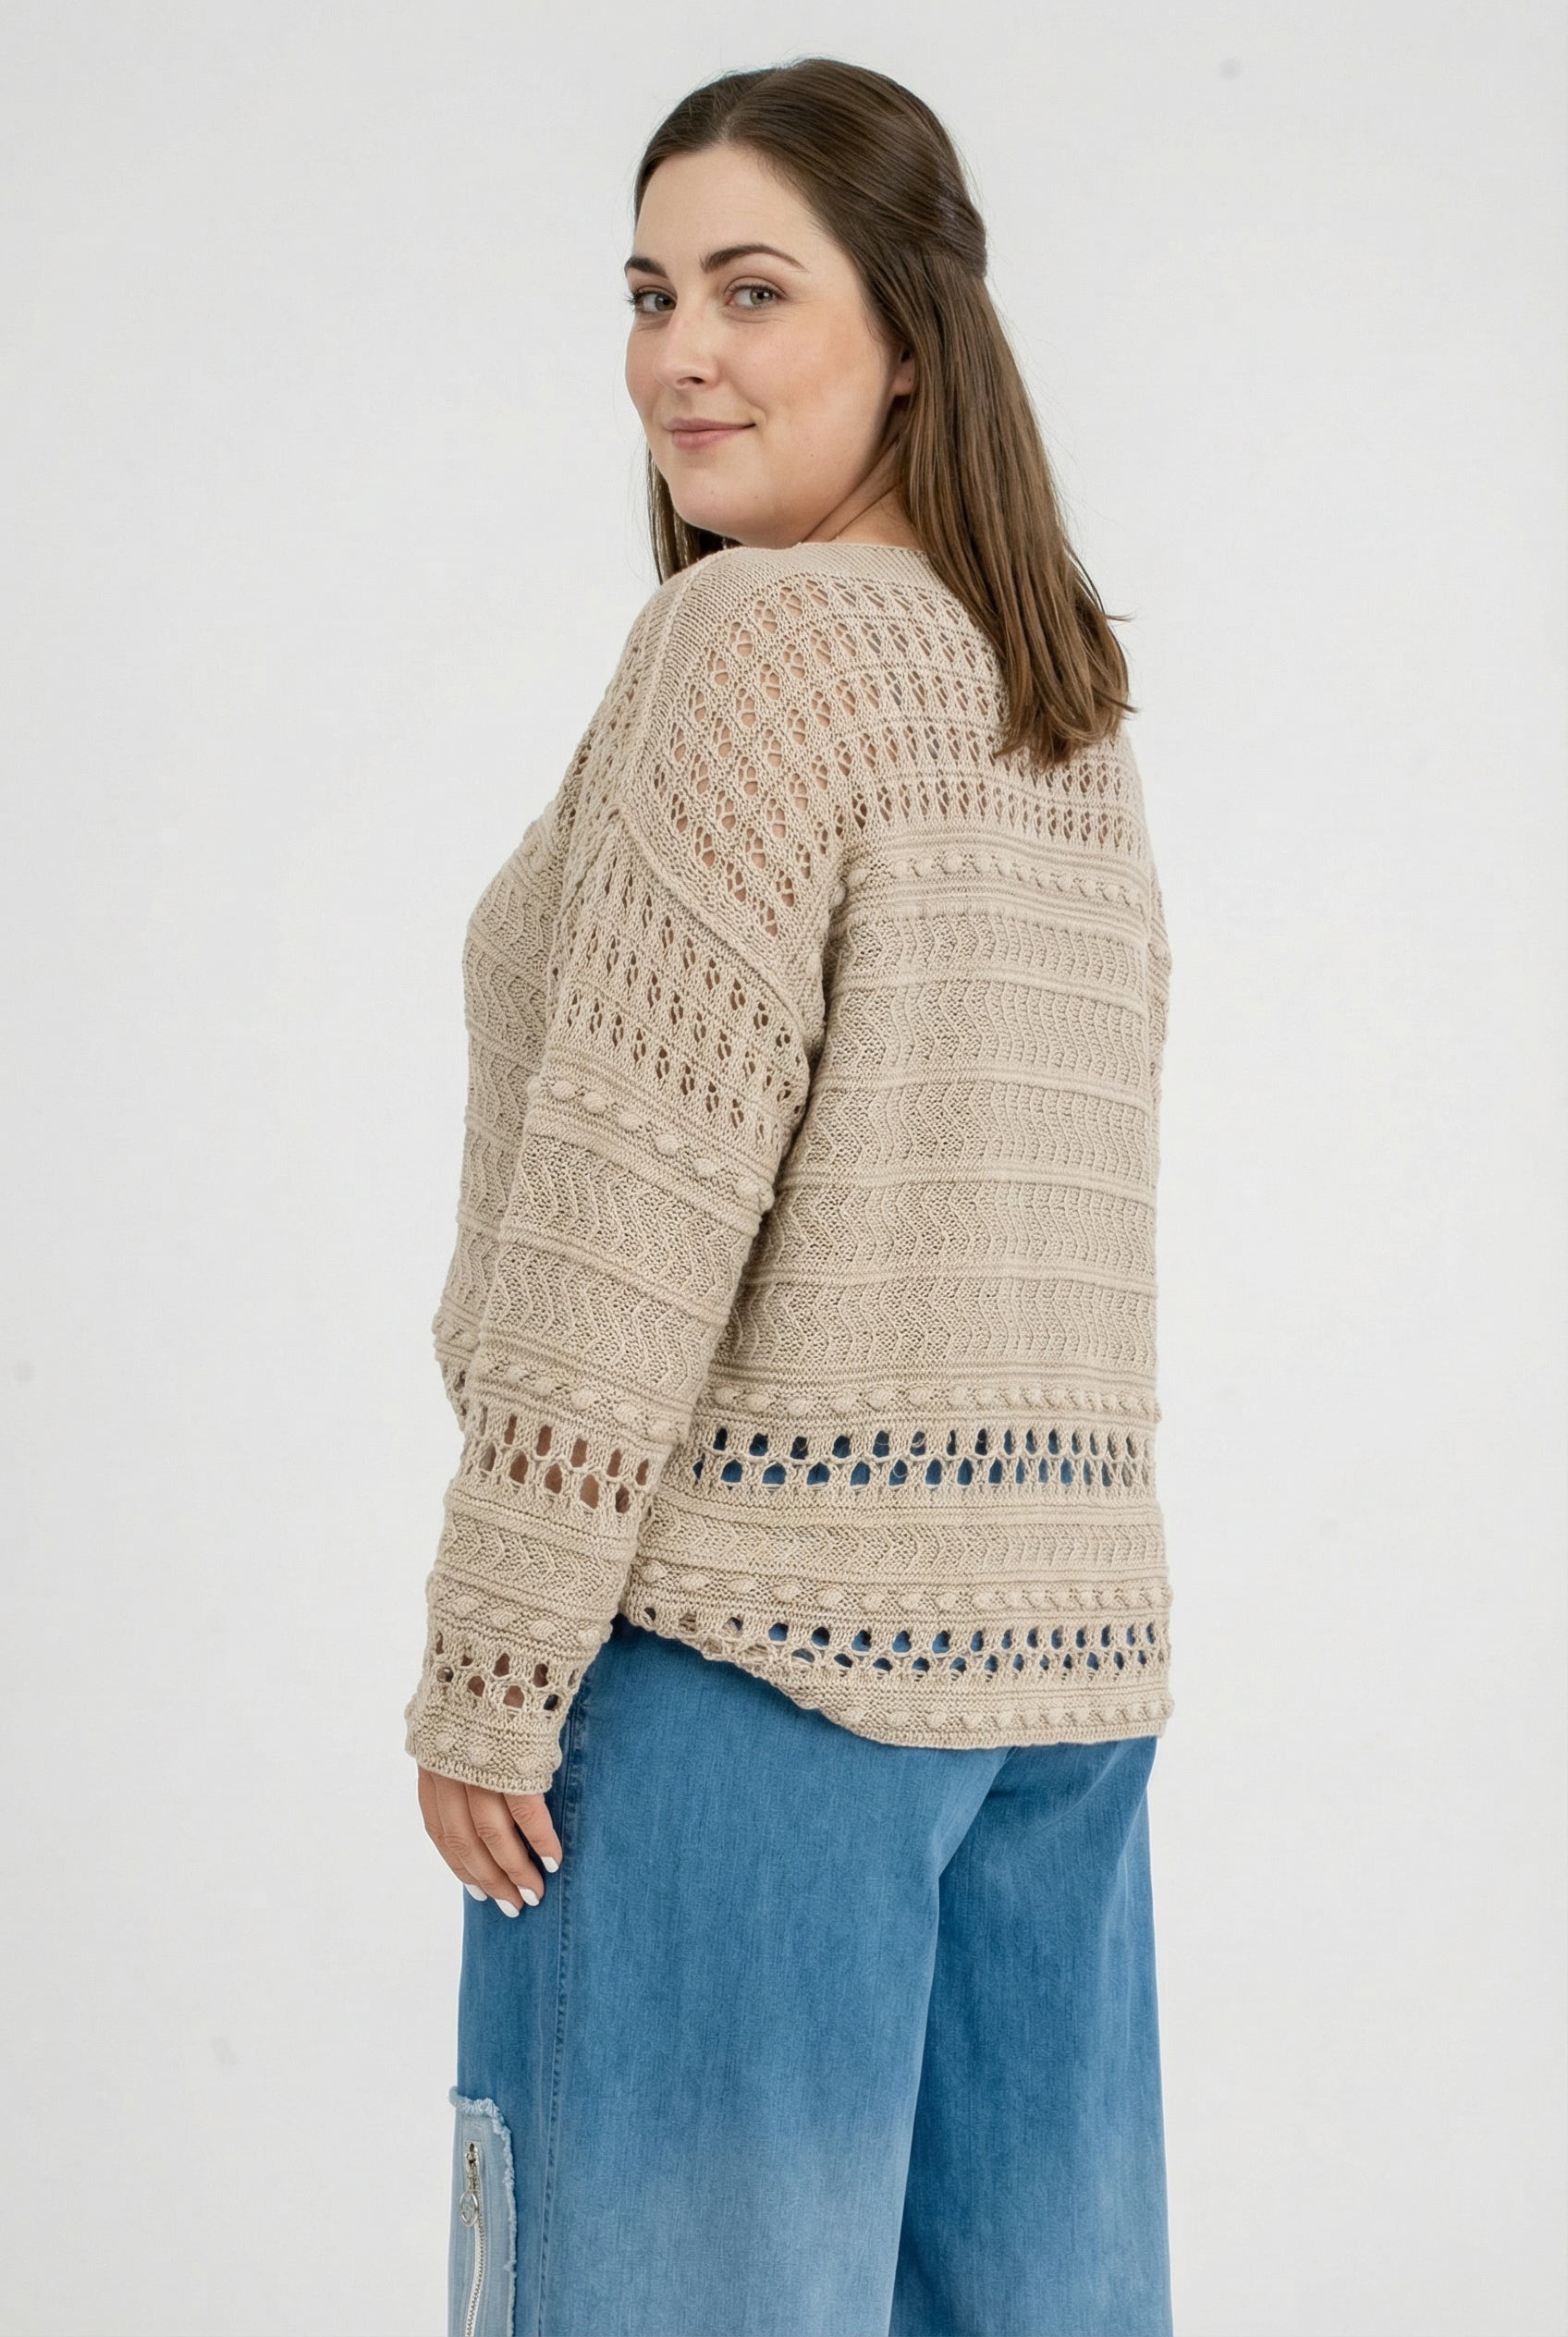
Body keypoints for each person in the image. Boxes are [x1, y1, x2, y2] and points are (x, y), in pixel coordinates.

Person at [404, 55, 1176, 2337]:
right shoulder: (1053, 705)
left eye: (752, 290)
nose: (680, 353)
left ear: (909, 334)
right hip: (1055, 1674)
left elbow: (623, 1213)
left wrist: (492, 1655)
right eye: (650, 294)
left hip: (746, 1668)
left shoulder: (749, 643)